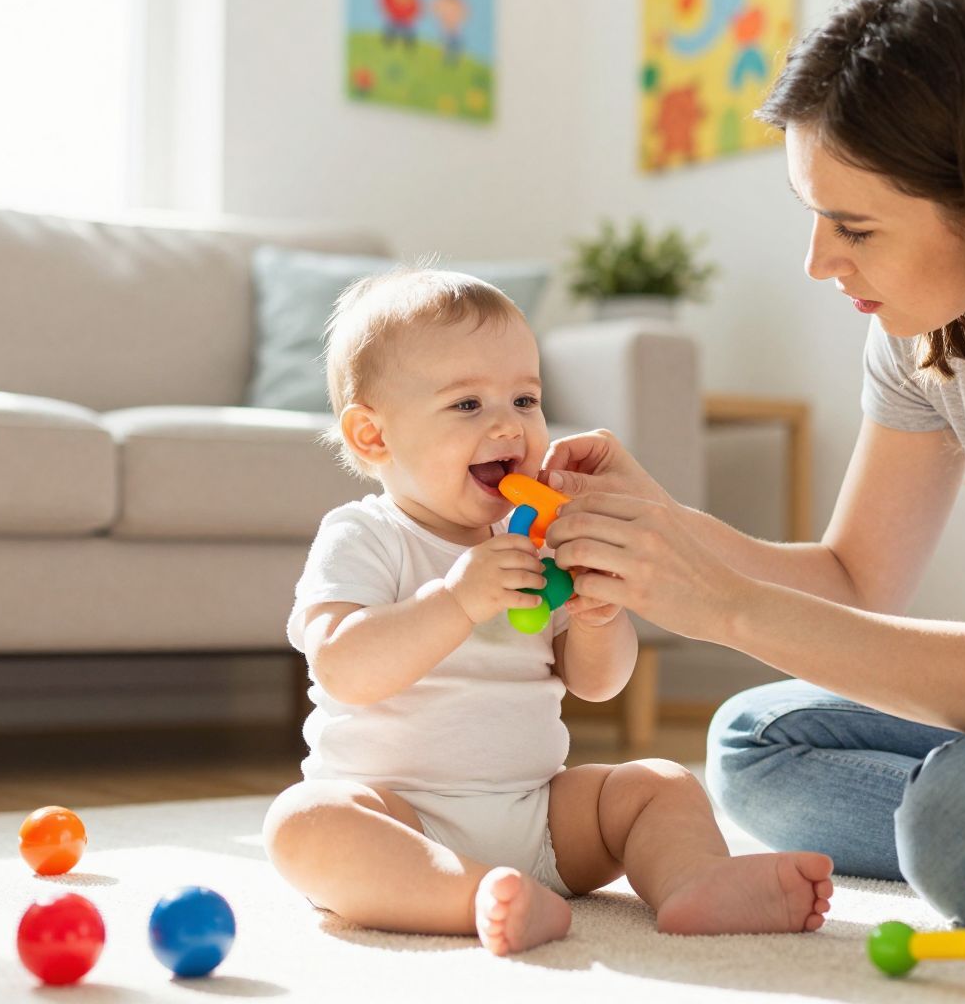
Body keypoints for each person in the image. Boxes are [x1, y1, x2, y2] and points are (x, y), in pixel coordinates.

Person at [538, 0, 965, 927]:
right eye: (815, 214)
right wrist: (657, 529)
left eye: (855, 227)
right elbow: (855, 580)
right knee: (756, 742)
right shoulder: (929, 323)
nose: (821, 260)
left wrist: (724, 604)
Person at [262, 268, 834, 956]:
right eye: (467, 404)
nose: (509, 423)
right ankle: (466, 895)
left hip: (541, 818)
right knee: (304, 825)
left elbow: (596, 684)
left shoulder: (537, 538)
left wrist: (598, 618)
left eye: (525, 398)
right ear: (372, 437)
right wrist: (454, 601)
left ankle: (694, 880)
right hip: (400, 817)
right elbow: (343, 665)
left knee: (660, 784)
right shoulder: (364, 535)